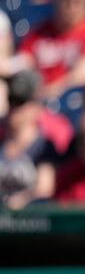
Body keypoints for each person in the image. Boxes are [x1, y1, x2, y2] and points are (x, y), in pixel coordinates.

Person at [0, 70, 58, 208]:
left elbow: (45, 189)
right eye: (11, 100)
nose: (14, 108)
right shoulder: (2, 140)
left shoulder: (44, 147)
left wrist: (22, 199)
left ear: (35, 106)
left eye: (20, 102)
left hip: (30, 222)